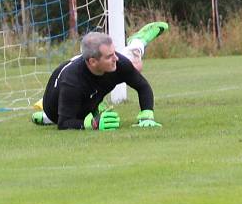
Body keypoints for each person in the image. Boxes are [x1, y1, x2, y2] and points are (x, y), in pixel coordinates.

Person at [31, 22, 168, 130]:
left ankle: (137, 43)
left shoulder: (117, 62)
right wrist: (94, 124)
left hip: (89, 90)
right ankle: (45, 117)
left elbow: (142, 86)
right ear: (92, 61)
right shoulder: (72, 81)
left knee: (135, 66)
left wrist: (147, 115)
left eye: (114, 53)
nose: (116, 58)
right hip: (56, 109)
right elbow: (64, 122)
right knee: (79, 111)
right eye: (109, 56)